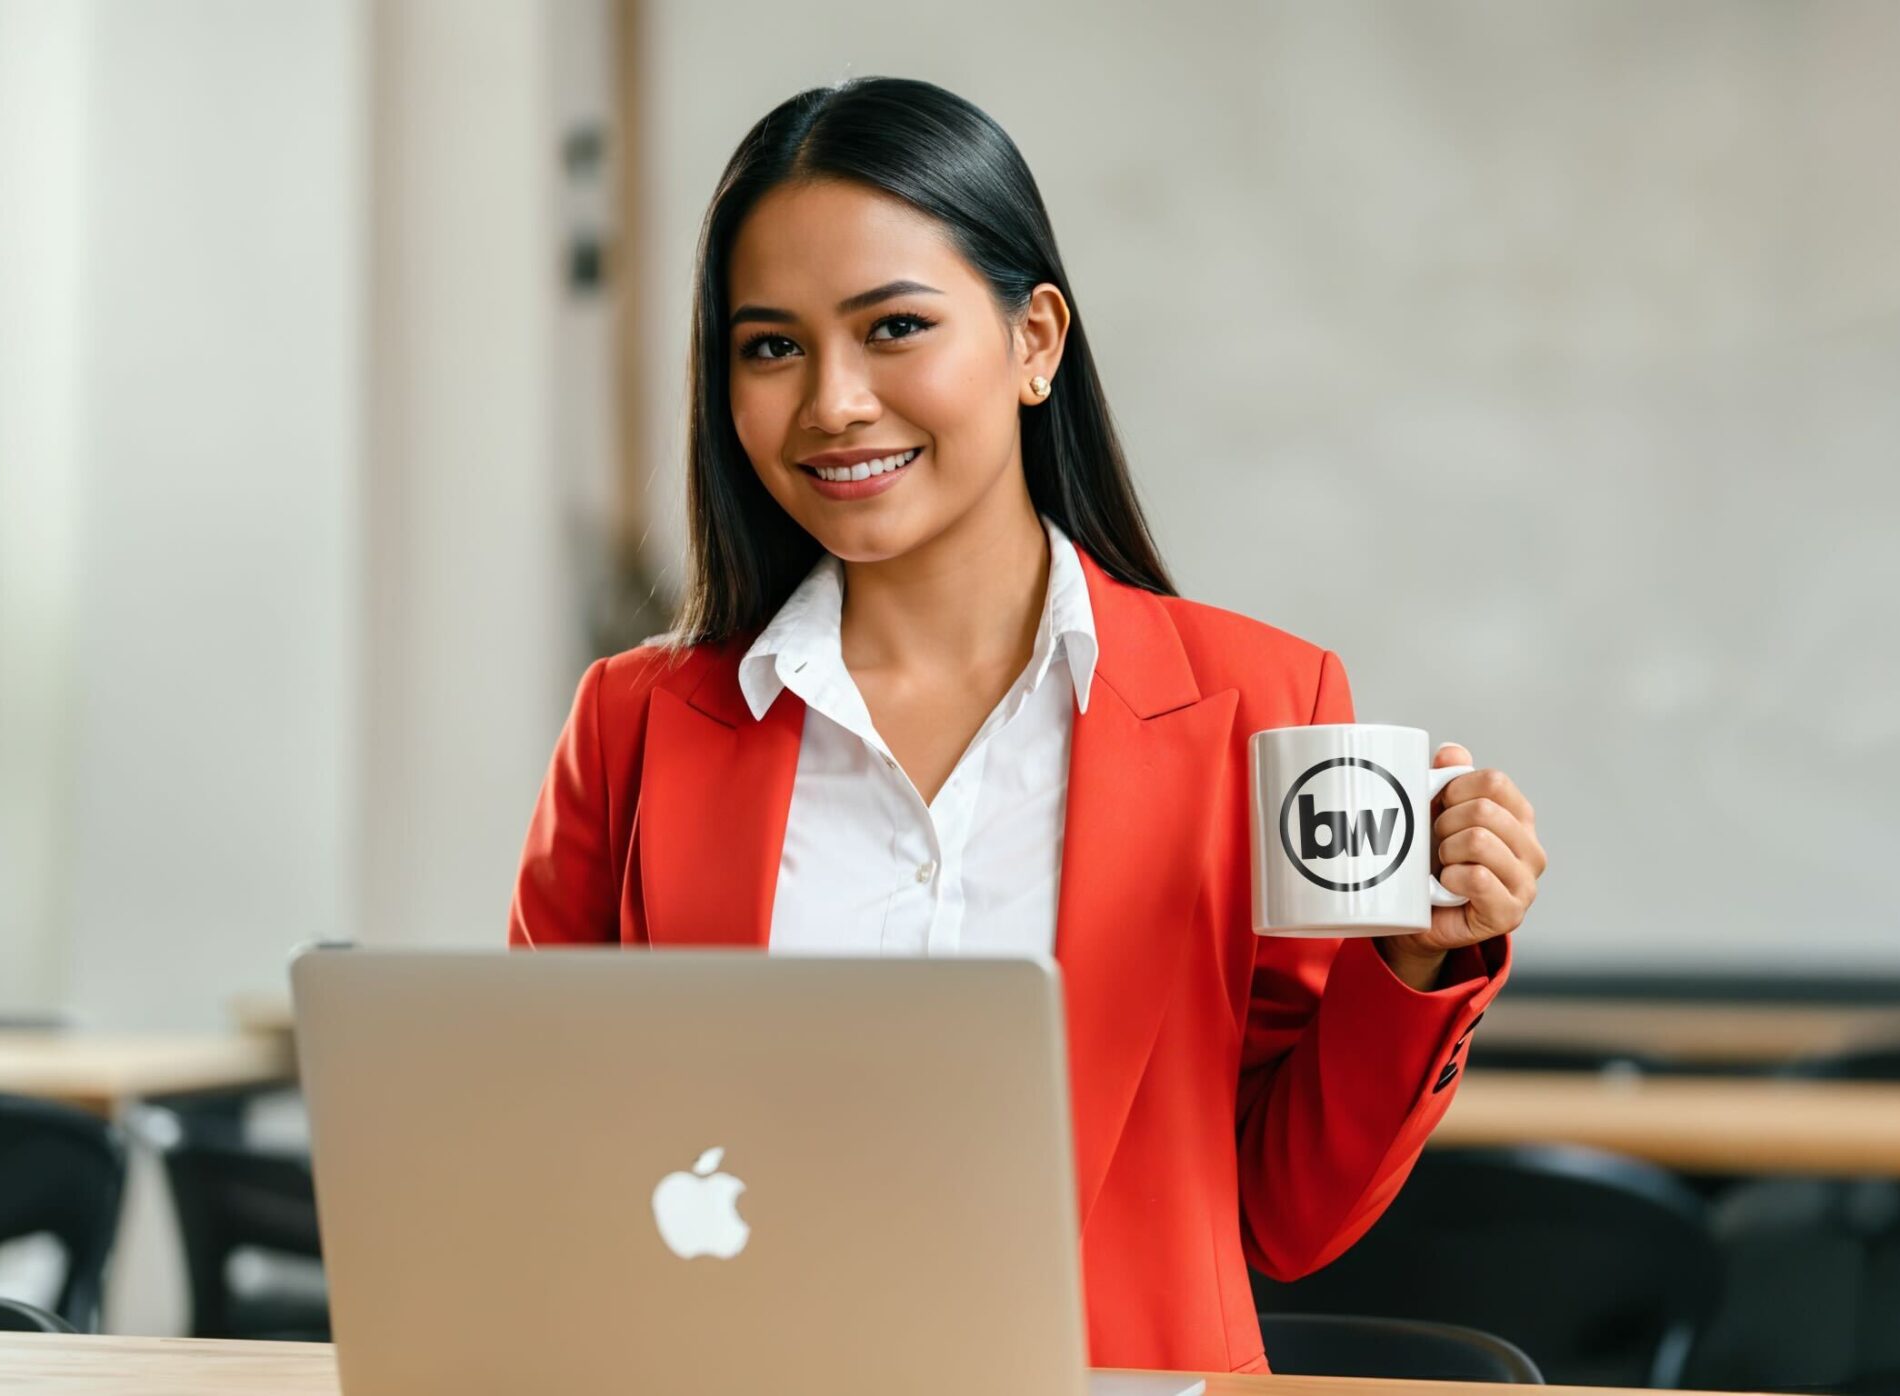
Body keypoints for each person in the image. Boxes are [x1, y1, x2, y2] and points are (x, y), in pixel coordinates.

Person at [508, 75, 1548, 1376]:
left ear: (1035, 341)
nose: (831, 399)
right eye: (770, 345)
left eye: (893, 327)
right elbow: (541, 1167)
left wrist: (1411, 966)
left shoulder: (1262, 712)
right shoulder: (632, 730)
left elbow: (1285, 1219)